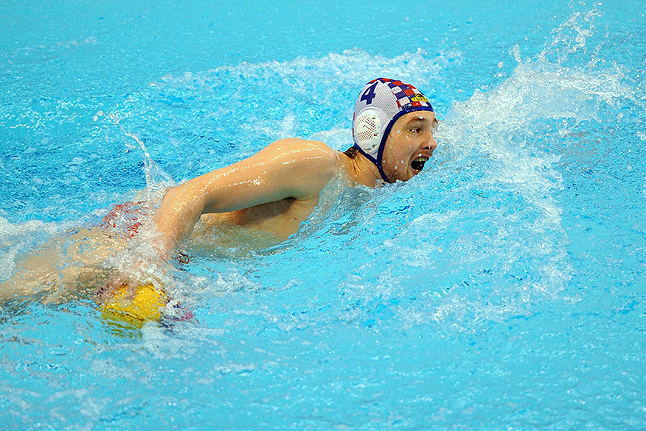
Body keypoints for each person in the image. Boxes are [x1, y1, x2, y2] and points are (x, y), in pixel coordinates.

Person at [2, 78, 438, 314]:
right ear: (373, 133)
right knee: (11, 301)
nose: (430, 142)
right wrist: (149, 265)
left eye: (432, 130)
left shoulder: (362, 193)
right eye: (414, 129)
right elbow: (188, 194)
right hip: (135, 241)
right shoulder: (317, 165)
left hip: (178, 259)